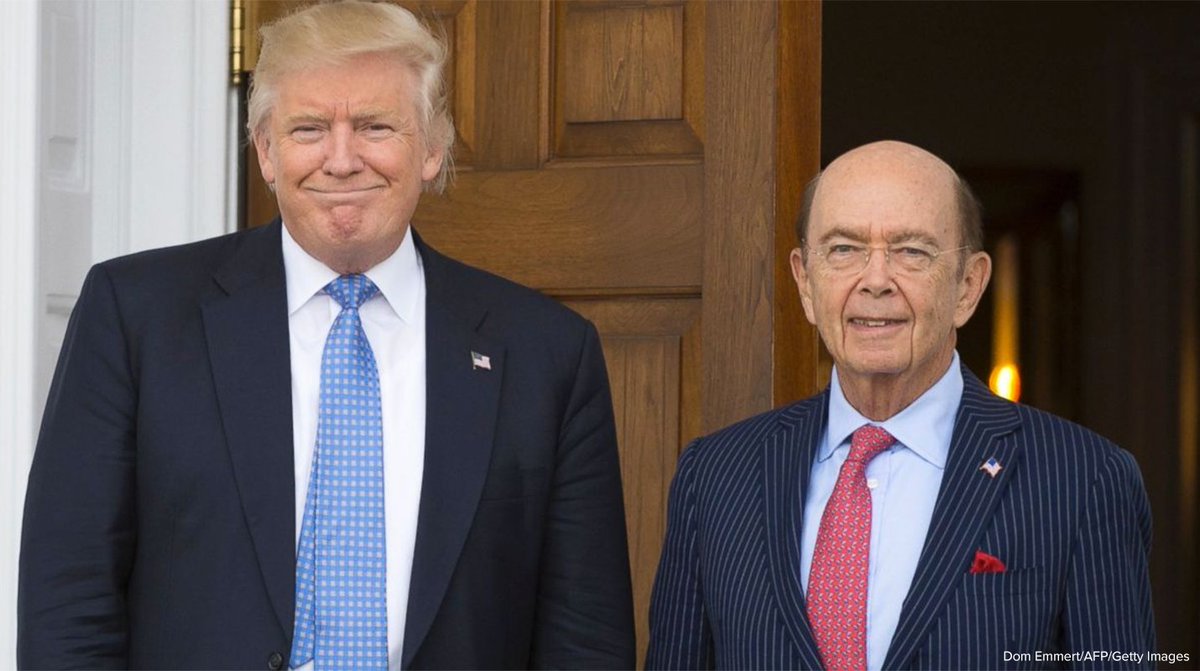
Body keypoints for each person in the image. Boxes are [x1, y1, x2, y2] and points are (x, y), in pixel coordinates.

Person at [18, 2, 635, 669]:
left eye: (374, 126)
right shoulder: (136, 317)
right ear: (266, 151)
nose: (341, 160)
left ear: (432, 148)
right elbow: (68, 599)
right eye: (309, 128)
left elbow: (586, 636)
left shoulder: (547, 354)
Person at [646, 140, 1154, 669]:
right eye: (844, 249)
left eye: (912, 251)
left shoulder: (1084, 480)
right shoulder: (714, 477)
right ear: (805, 282)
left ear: (968, 286)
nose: (875, 281)